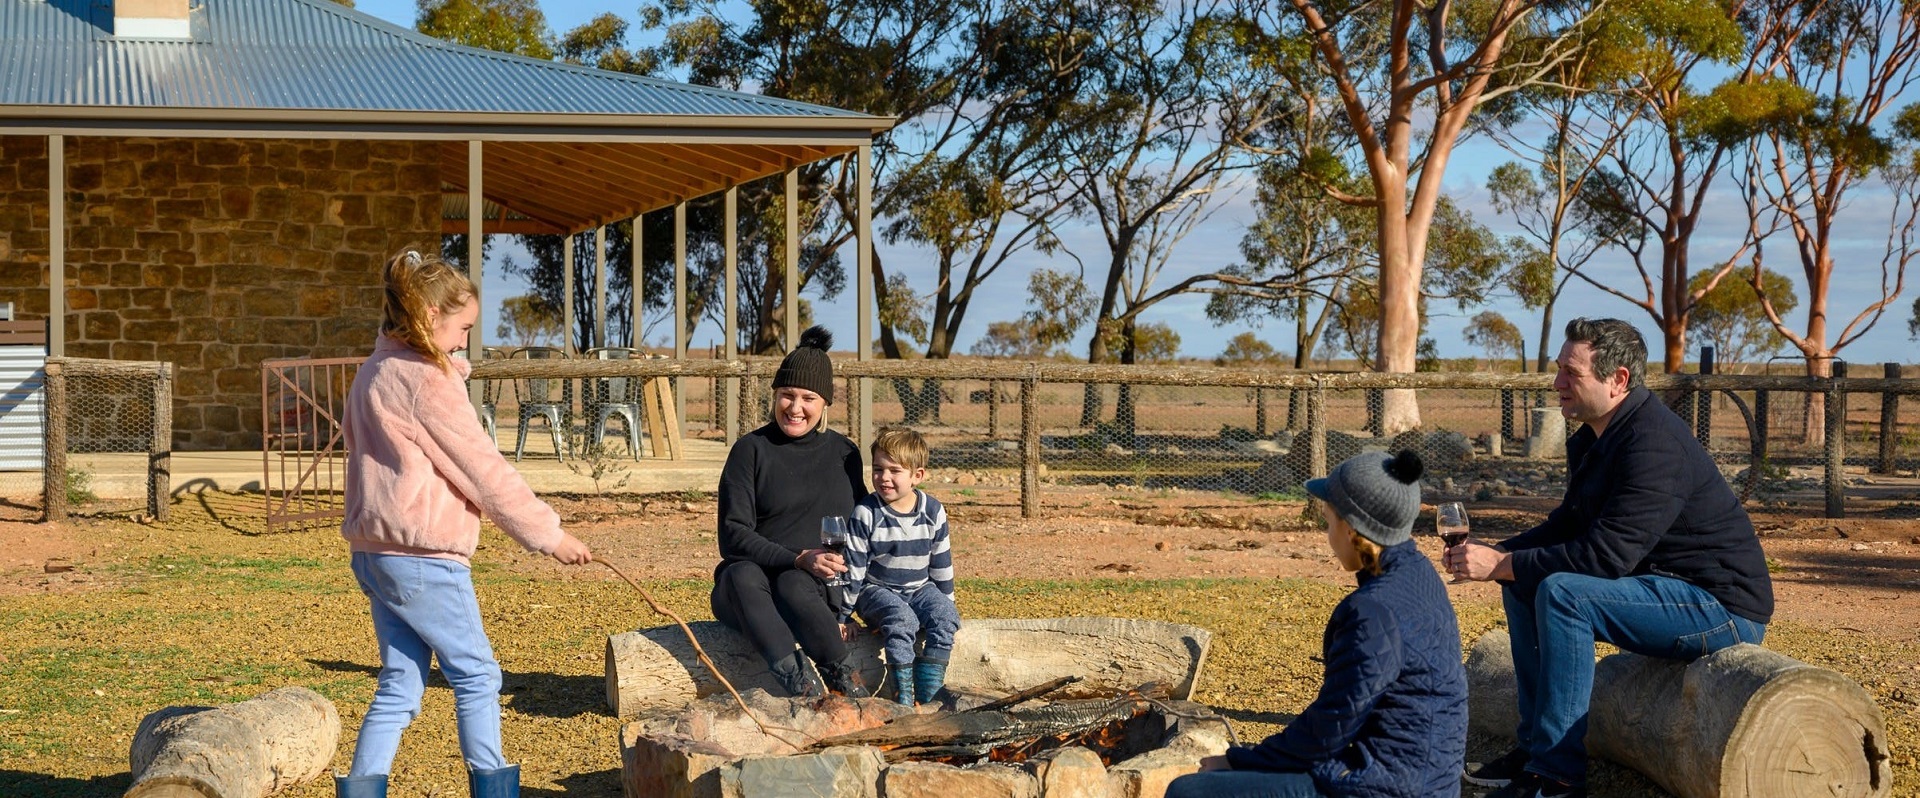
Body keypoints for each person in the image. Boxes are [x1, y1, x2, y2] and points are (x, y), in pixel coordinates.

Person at [1446, 317, 1774, 798]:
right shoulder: (1598, 437)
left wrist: (1500, 563)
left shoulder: (1654, 443)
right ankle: (1537, 750)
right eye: (1558, 369)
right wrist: (1501, 555)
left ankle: (1556, 778)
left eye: (1571, 373)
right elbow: (1570, 525)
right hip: (1663, 589)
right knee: (1525, 580)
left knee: (1563, 592)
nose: (1557, 383)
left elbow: (1604, 558)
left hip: (1721, 609)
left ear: (1618, 379)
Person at [335, 249, 594, 798]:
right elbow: (483, 469)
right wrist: (549, 535)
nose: (464, 341)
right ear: (430, 317)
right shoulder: (427, 382)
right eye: (463, 328)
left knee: (401, 683)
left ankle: (363, 788)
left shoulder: (374, 370)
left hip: (376, 554)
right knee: (477, 676)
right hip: (424, 557)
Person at [1166, 450, 1467, 798]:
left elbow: (1331, 726)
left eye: (1328, 522)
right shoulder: (1419, 575)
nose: (1328, 535)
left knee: (1190, 791)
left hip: (1386, 787)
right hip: (1422, 780)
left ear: (1352, 529)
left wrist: (1240, 761)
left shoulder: (1372, 611)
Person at [712, 325, 871, 698]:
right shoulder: (750, 450)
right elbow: (732, 534)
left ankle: (848, 686)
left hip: (808, 592)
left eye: (807, 397)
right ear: (775, 395)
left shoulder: (845, 455)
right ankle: (803, 689)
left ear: (825, 403)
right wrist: (797, 557)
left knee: (793, 584)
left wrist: (846, 610)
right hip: (747, 592)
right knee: (741, 574)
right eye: (787, 395)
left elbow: (864, 529)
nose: (795, 408)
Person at [839, 427, 960, 707]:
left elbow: (941, 560)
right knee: (902, 619)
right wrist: (844, 615)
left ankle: (930, 696)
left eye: (895, 471)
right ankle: (903, 699)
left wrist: (946, 605)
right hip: (876, 590)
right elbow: (854, 569)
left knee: (945, 617)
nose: (884, 478)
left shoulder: (933, 511)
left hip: (920, 588)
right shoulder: (866, 513)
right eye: (879, 469)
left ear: (917, 475)